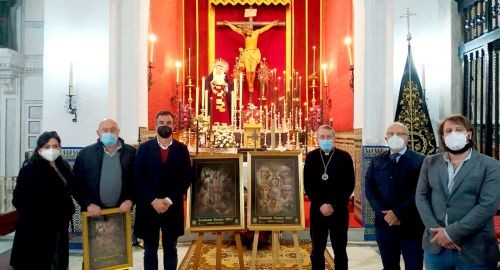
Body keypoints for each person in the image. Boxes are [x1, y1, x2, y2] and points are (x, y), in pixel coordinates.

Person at [415, 114, 500, 270]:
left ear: (469, 134)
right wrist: (437, 233)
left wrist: (450, 233)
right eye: (448, 131)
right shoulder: (430, 162)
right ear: (443, 136)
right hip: (436, 247)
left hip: (475, 248)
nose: (453, 134)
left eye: (458, 129)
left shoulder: (490, 165)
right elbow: (421, 197)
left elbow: (487, 206)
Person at [134, 111, 192, 270]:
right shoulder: (144, 149)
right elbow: (138, 178)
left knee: (171, 250)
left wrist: (169, 200)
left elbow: (186, 178)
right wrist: (153, 200)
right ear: (155, 125)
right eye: (161, 122)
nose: (165, 126)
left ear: (173, 125)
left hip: (172, 207)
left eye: (168, 122)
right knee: (150, 250)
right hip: (149, 207)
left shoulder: (182, 149)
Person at [10, 131, 76, 269]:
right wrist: (41, 216)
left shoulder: (63, 167)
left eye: (55, 146)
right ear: (39, 150)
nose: (51, 149)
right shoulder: (29, 170)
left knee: (57, 263)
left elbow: (67, 193)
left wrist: (69, 210)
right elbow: (19, 200)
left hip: (59, 228)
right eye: (47, 146)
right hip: (35, 231)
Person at [365, 122, 425, 270]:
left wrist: (398, 213)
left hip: (411, 224)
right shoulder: (377, 161)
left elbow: (421, 191)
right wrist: (383, 213)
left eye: (400, 134)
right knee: (389, 265)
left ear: (407, 138)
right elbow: (370, 189)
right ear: (386, 138)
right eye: (391, 134)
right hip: (384, 224)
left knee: (413, 264)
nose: (395, 137)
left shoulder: (420, 161)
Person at [303, 124, 355, 270]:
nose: (325, 139)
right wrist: (320, 204)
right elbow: (308, 185)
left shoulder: (344, 157)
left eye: (328, 137)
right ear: (317, 139)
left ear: (334, 138)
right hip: (317, 210)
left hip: (338, 210)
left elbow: (349, 185)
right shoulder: (311, 157)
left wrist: (333, 204)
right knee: (317, 250)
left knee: (340, 250)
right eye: (322, 137)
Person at [72, 119, 135, 217]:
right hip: (93, 212)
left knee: (119, 233)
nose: (109, 133)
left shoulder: (131, 153)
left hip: (122, 210)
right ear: (98, 133)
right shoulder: (85, 154)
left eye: (113, 129)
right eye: (105, 130)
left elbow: (138, 180)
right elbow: (76, 183)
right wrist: (88, 203)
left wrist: (130, 200)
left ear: (118, 131)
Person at [224, 19, 278, 94]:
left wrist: (272, 23)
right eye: (245, 33)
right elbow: (236, 29)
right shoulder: (244, 34)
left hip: (254, 53)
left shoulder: (256, 32)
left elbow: (265, 28)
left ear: (250, 29)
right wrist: (229, 24)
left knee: (253, 70)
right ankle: (250, 84)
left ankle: (251, 83)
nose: (247, 34)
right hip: (246, 53)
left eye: (247, 32)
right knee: (248, 70)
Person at [205, 58, 232, 125]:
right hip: (214, 96)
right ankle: (214, 122)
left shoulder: (224, 78)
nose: (219, 70)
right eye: (217, 69)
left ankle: (223, 122)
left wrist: (226, 85)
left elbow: (230, 86)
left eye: (220, 69)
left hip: (222, 96)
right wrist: (211, 84)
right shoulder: (212, 77)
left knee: (222, 110)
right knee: (214, 109)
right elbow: (206, 84)